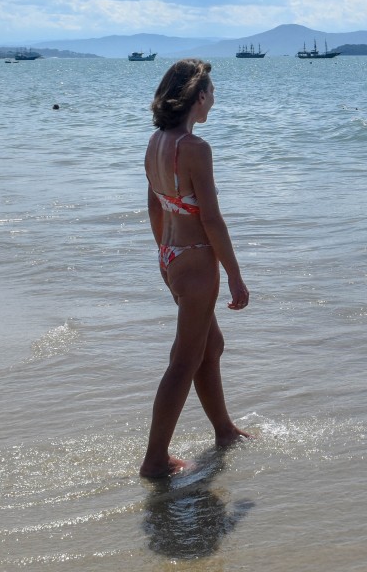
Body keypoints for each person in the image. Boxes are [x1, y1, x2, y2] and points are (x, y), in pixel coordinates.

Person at [140, 58, 251, 478]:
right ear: (199, 96)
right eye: (212, 93)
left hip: (171, 256)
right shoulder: (195, 148)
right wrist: (236, 276)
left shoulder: (156, 142)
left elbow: (154, 204)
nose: (214, 100)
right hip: (198, 259)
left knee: (210, 347)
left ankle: (223, 430)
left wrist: (165, 256)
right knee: (183, 361)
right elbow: (211, 219)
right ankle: (154, 460)